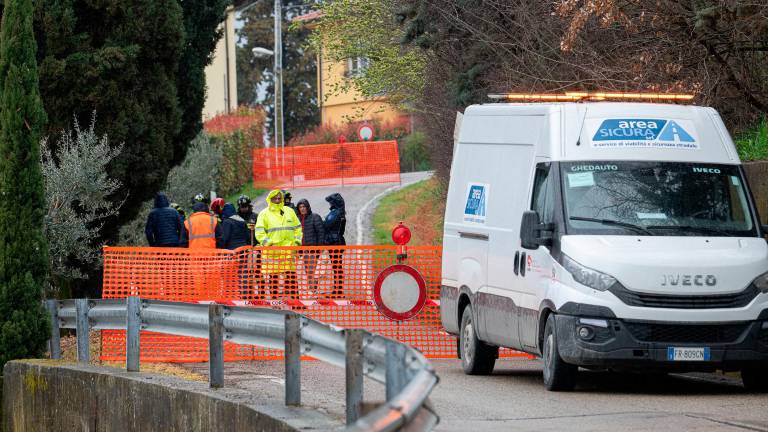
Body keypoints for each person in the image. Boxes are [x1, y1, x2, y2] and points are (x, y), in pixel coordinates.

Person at [255, 190, 303, 299]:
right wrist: (269, 244)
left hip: (289, 252)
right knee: (274, 280)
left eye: (279, 198)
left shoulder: (289, 211)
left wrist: (297, 243)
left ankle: (295, 302)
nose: (277, 200)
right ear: (270, 199)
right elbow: (259, 232)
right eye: (275, 198)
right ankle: (274, 302)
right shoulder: (264, 213)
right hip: (272, 254)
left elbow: (298, 229)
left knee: (291, 278)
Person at [297, 199, 325, 292]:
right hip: (304, 250)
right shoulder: (298, 219)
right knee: (308, 270)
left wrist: (319, 248)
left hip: (313, 249)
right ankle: (312, 288)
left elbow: (321, 233)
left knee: (312, 270)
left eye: (304, 206)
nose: (302, 209)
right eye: (300, 207)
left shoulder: (315, 217)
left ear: (308, 207)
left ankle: (313, 289)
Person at [324, 193, 346, 298]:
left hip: (335, 241)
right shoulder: (340, 213)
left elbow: (326, 224)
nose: (329, 204)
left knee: (336, 266)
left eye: (330, 202)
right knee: (337, 266)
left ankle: (338, 290)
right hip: (338, 240)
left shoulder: (335, 213)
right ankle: (338, 289)